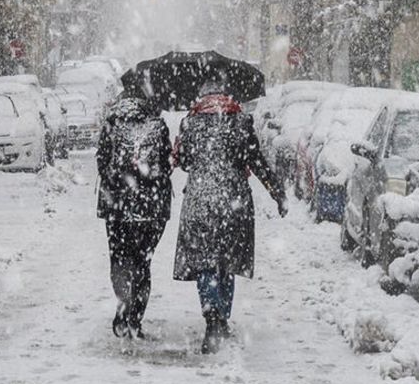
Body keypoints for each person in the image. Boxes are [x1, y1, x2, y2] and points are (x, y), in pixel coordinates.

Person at [173, 81, 286, 353]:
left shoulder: (190, 123)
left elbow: (185, 162)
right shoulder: (241, 122)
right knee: (227, 259)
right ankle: (222, 315)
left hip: (200, 198)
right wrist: (277, 192)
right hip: (233, 201)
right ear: (227, 98)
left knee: (205, 261)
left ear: (202, 98)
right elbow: (256, 161)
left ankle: (212, 316)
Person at [96, 94, 173, 338]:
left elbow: (101, 162)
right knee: (143, 261)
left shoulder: (112, 123)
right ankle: (135, 317)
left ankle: (123, 302)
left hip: (117, 206)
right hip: (151, 208)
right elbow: (166, 165)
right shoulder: (158, 126)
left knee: (119, 258)